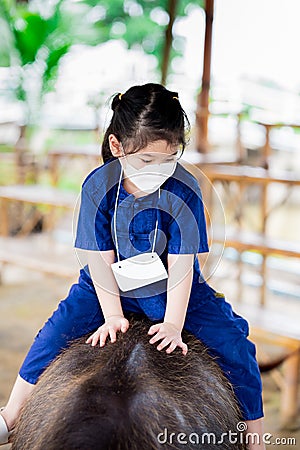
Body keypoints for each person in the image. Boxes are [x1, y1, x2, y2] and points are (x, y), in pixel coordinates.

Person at [0, 83, 266, 449]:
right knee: (52, 334)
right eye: (145, 161)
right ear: (117, 147)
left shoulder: (185, 190)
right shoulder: (98, 187)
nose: (158, 171)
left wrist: (173, 323)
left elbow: (184, 264)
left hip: (172, 287)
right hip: (105, 284)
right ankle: (12, 415)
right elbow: (98, 256)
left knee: (237, 345)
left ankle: (255, 437)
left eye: (170, 159)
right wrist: (111, 315)